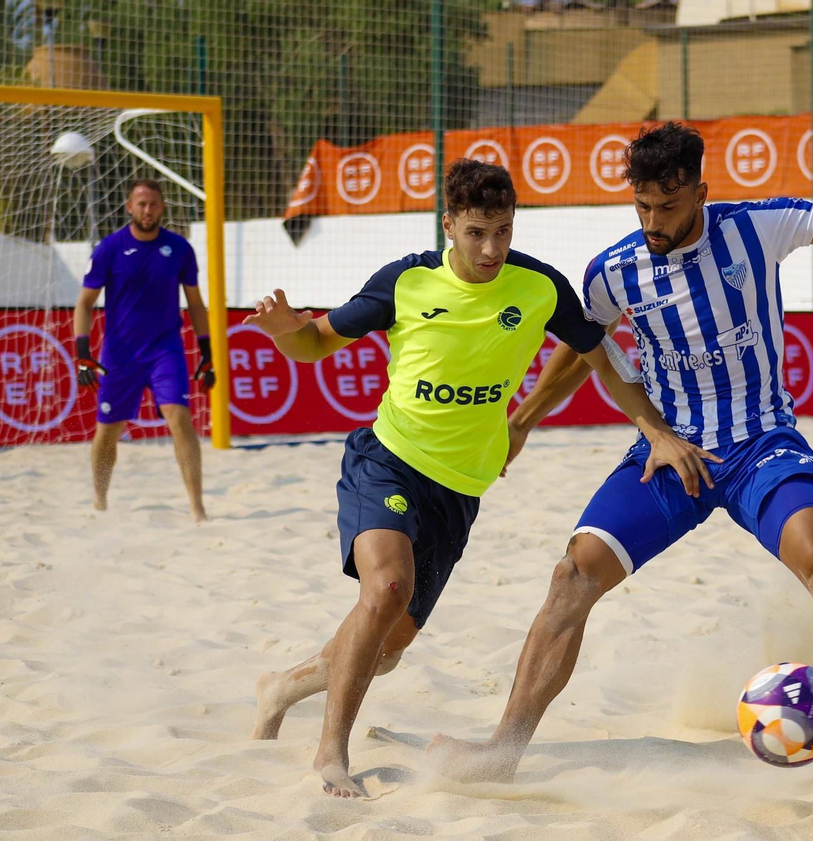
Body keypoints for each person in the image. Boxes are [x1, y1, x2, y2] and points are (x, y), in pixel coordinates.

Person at [427, 121, 813, 793]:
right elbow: (582, 350)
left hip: (762, 444)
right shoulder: (614, 270)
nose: (653, 222)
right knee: (572, 575)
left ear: (700, 193)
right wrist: (523, 421)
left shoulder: (756, 229)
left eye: (667, 205)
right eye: (641, 206)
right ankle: (504, 750)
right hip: (671, 451)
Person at [243, 159, 707, 798]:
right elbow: (314, 343)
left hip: (460, 489)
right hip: (388, 459)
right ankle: (331, 753)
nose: (491, 249)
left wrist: (654, 430)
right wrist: (284, 334)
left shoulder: (539, 287)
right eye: (477, 233)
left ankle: (282, 687)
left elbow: (603, 361)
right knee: (386, 589)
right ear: (449, 226)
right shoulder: (406, 281)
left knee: (387, 650)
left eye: (503, 231)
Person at [73, 179, 216, 522]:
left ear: (162, 207)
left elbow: (196, 303)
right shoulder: (109, 249)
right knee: (109, 429)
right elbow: (84, 304)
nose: (147, 210)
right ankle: (100, 500)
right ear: (129, 207)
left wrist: (207, 352)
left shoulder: (179, 248)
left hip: (165, 349)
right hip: (120, 354)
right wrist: (82, 353)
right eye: (141, 204)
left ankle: (197, 508)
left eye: (153, 204)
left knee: (180, 418)